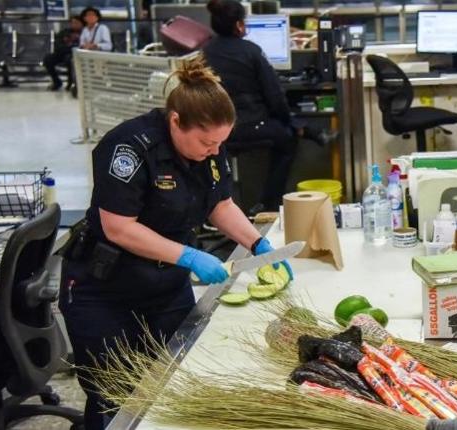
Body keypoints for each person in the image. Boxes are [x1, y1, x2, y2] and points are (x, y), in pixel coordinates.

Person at [59, 55, 293, 430]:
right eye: (207, 142)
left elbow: (220, 204)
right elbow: (118, 227)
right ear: (175, 122)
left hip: (166, 286)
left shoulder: (210, 146)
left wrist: (257, 244)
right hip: (105, 291)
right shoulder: (129, 148)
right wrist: (189, 256)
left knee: (176, 380)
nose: (214, 150)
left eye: (220, 142)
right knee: (114, 397)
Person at [203, 0, 333, 213]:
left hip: (218, 130)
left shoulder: (205, 52)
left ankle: (304, 129)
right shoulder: (251, 51)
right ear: (239, 25)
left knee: (283, 125)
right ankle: (268, 204)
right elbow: (275, 97)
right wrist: (288, 120)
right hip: (251, 126)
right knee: (287, 137)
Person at [44, 15, 83, 91]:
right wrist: (68, 48)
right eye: (72, 23)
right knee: (48, 59)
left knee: (69, 60)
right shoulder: (64, 32)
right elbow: (58, 45)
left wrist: (69, 47)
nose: (74, 25)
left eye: (76, 23)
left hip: (75, 55)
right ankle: (56, 81)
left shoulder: (84, 33)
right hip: (62, 53)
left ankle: (71, 83)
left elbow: (80, 46)